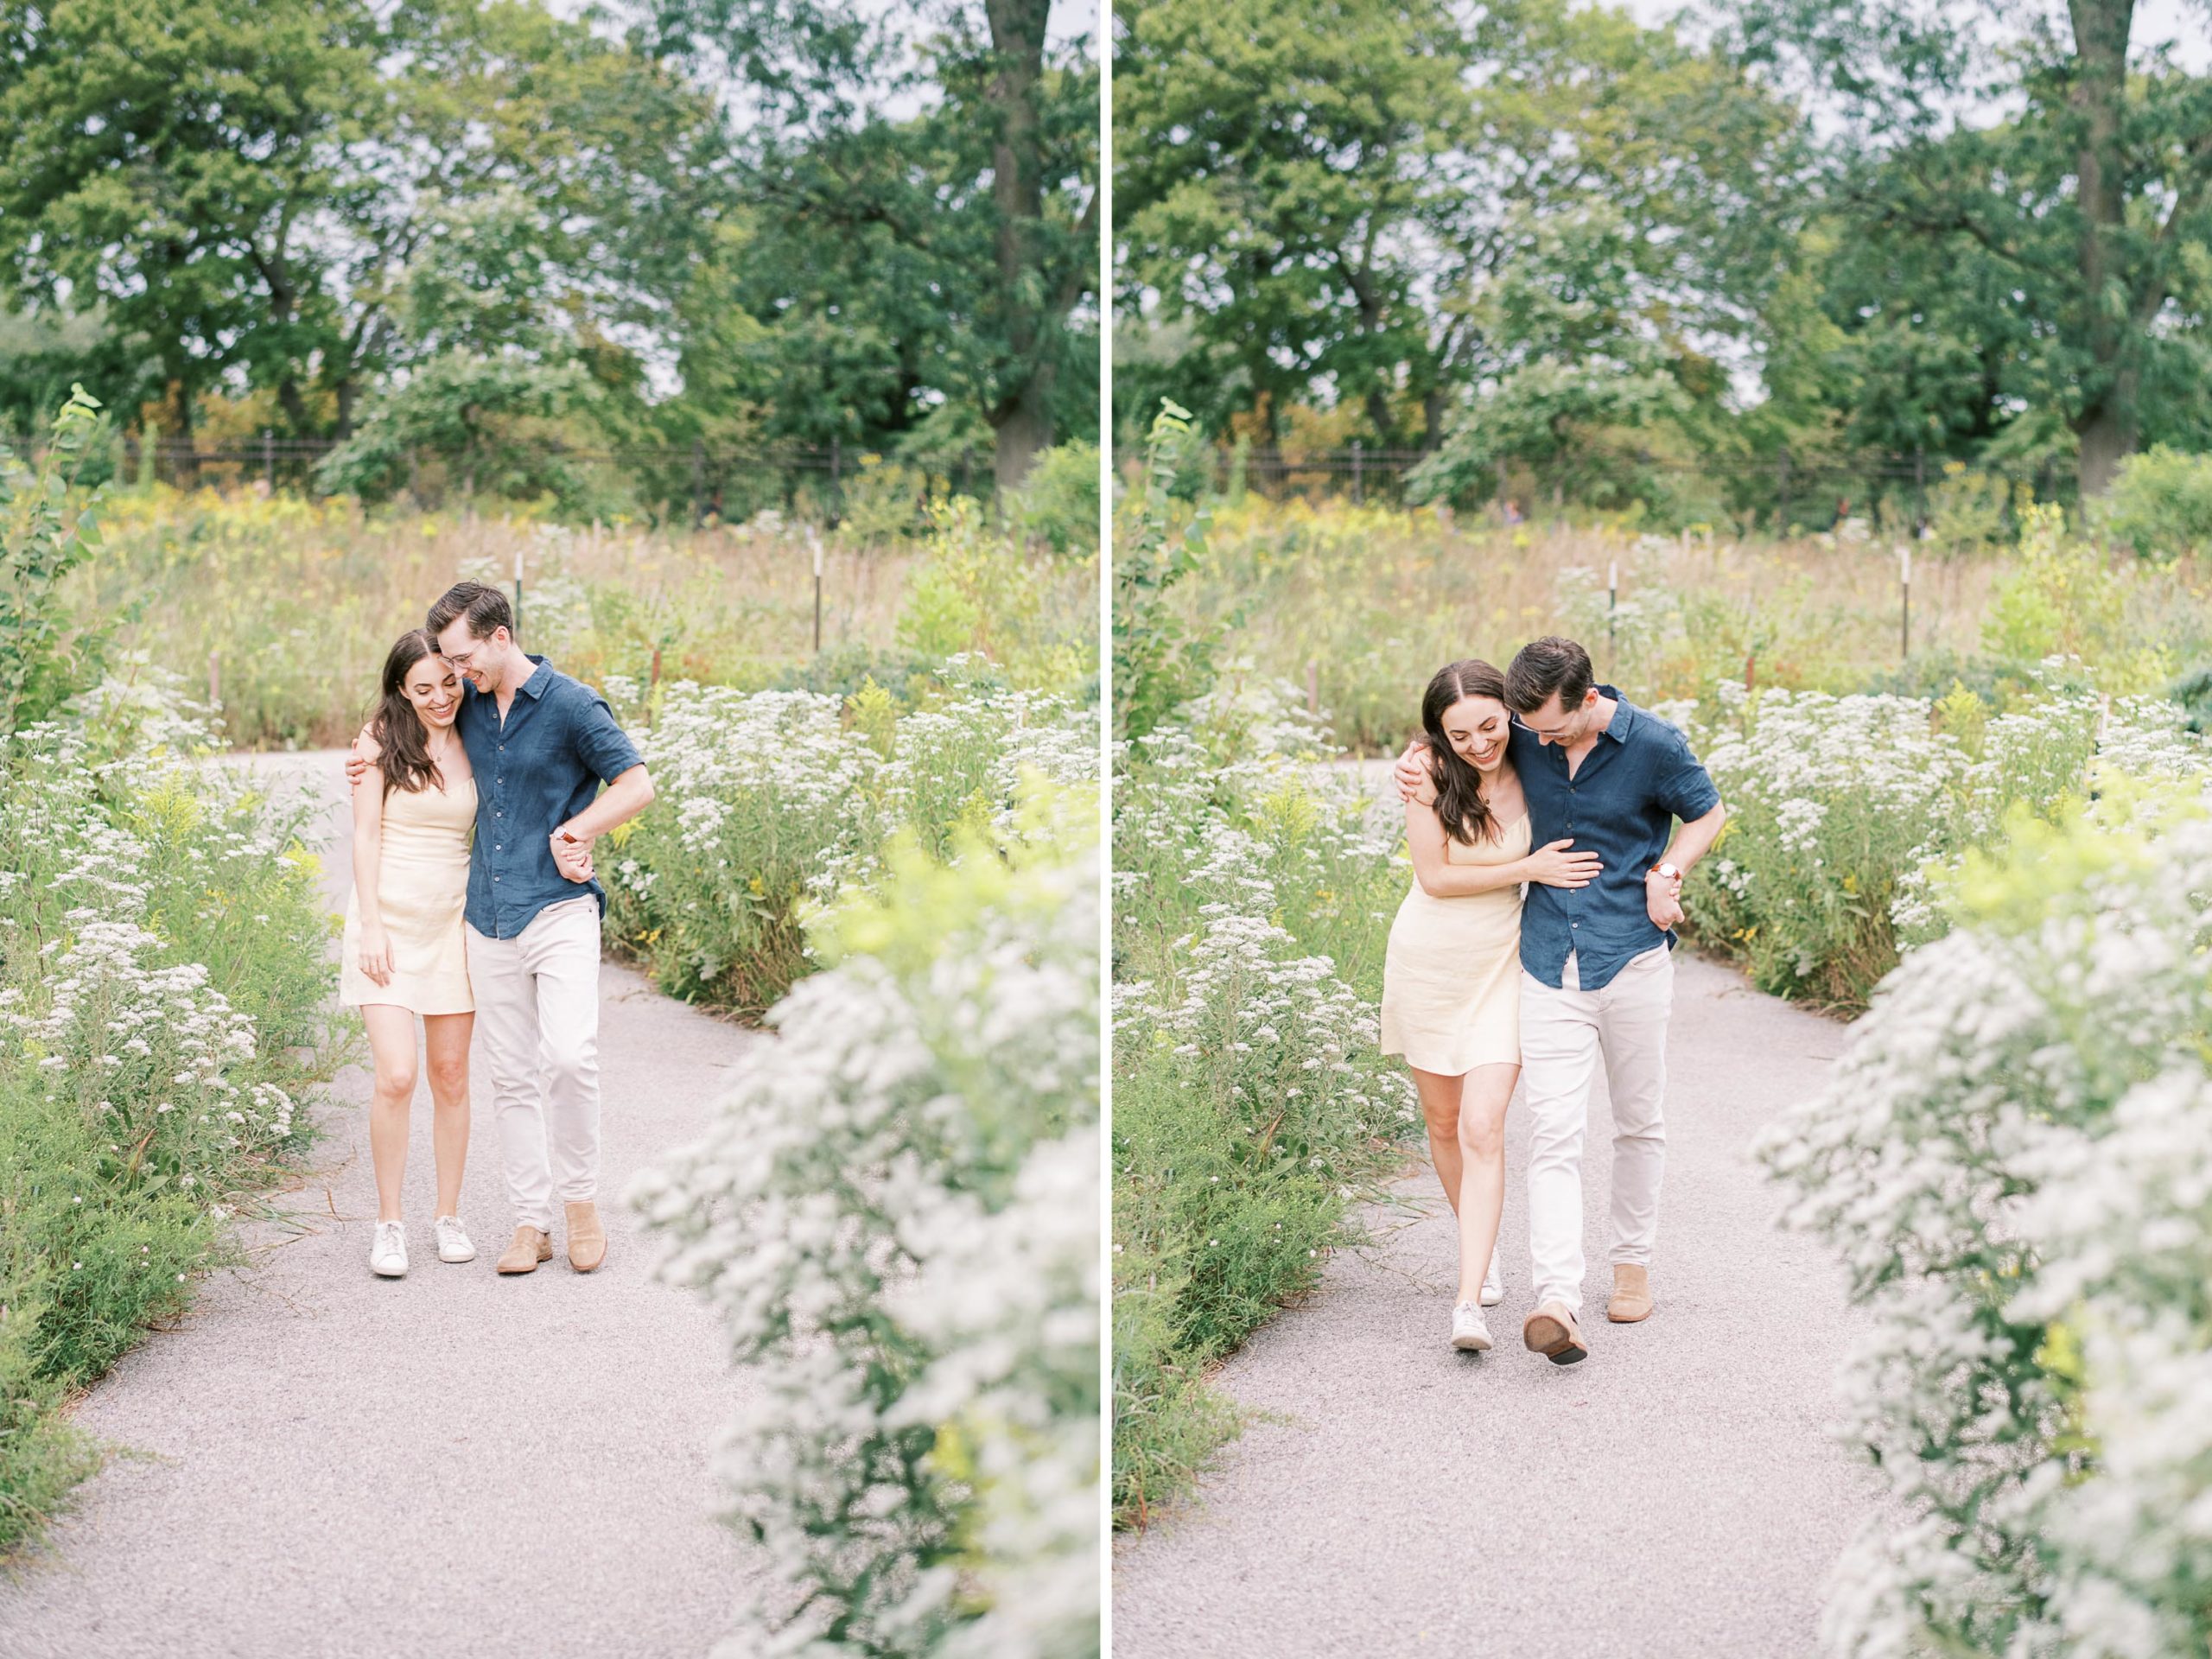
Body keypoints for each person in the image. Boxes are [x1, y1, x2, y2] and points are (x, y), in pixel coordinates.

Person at [1395, 637, 1725, 1364]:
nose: (1530, 739)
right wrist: (1418, 755)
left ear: (1587, 700)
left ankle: (1631, 1263)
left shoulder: (1656, 745)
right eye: (1526, 726)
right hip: (1545, 962)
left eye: (1548, 726)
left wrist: (1667, 870)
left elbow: (1708, 813)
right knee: (1552, 1133)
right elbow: (1461, 728)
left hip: (1633, 956)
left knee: (1639, 1121)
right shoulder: (1519, 730)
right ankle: (1556, 1299)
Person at [350, 581, 655, 1277]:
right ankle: (530, 1221)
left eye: (463, 659)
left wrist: (579, 829)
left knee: (571, 1057)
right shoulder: (471, 711)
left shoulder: (574, 704)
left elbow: (636, 784)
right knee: (511, 1074)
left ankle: (581, 1204)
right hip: (485, 919)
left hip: (559, 907)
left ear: (500, 637)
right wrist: (363, 755)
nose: (456, 677)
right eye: (448, 666)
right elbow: (405, 729)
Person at [1381, 660, 1600, 1352]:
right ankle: (1485, 1250)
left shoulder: (1538, 759)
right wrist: (1529, 868)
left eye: (1488, 725)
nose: (1479, 744)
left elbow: (1585, 708)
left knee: (1482, 1127)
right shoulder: (1431, 775)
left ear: (1510, 710)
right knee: (1442, 1124)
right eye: (1459, 734)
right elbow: (1436, 877)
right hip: (1430, 962)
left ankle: (1467, 1303)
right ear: (1436, 736)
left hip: (1503, 968)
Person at [340, 631, 479, 1278]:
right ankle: (389, 1223)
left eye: (448, 682)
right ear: (401, 688)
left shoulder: (481, 733)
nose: (440, 698)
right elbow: (365, 835)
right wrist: (370, 924)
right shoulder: (379, 741)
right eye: (422, 688)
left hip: (452, 923)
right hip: (387, 923)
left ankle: (447, 1216)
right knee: (398, 1074)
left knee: (450, 1077)